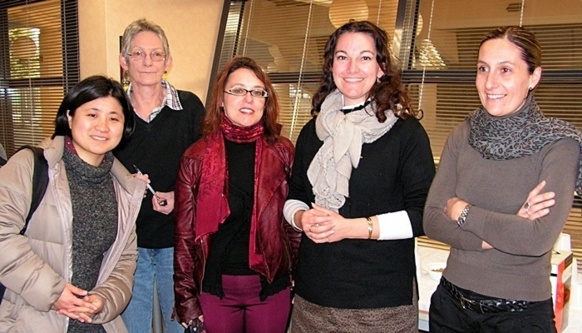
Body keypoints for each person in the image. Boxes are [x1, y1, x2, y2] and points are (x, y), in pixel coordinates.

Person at [423, 26, 582, 333]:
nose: (490, 82)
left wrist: (462, 212)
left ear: (533, 77)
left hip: (517, 316)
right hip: (450, 307)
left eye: (505, 70)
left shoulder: (558, 144)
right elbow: (431, 219)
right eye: (483, 69)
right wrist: (501, 231)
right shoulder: (464, 133)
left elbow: (536, 239)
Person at [283, 20, 436, 332]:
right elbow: (295, 196)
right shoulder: (313, 132)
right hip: (312, 297)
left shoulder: (406, 133)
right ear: (331, 66)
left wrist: (349, 228)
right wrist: (301, 219)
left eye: (365, 57)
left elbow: (423, 215)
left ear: (381, 67)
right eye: (342, 57)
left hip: (380, 304)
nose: (352, 67)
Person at [0, 75, 146, 332]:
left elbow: (125, 259)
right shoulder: (31, 165)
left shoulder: (124, 188)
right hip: (33, 318)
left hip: (96, 323)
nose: (103, 126)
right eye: (92, 114)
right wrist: (54, 292)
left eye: (114, 118)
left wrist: (103, 300)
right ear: (69, 117)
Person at [173, 56, 300, 333]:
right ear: (221, 99)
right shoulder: (195, 157)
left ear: (266, 101)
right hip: (215, 290)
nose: (248, 99)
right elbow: (184, 238)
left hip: (270, 288)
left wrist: (302, 279)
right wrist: (186, 299)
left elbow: (294, 225)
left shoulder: (283, 152)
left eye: (257, 92)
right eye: (238, 90)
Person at [114, 19, 205, 333]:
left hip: (176, 244)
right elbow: (96, 170)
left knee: (179, 327)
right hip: (127, 245)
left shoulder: (191, 108)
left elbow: (210, 172)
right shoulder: (112, 112)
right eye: (138, 54)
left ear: (168, 62)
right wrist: (126, 187)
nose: (147, 62)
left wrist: (180, 197)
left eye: (156, 54)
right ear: (124, 62)